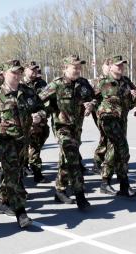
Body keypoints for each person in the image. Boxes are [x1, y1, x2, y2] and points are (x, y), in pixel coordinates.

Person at [0, 59, 45, 227]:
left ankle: (2, 201)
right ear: (4, 74)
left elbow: (42, 108)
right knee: (13, 175)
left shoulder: (28, 92)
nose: (16, 76)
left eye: (19, 72)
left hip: (24, 141)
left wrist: (40, 116)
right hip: (5, 142)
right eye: (13, 72)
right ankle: (21, 212)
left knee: (12, 173)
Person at [38, 55, 95, 209]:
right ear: (65, 68)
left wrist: (91, 105)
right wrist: (41, 114)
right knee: (73, 157)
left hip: (77, 128)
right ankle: (80, 195)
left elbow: (94, 98)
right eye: (74, 67)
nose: (78, 69)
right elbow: (38, 101)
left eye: (79, 66)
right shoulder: (56, 85)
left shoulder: (83, 83)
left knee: (66, 159)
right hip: (62, 128)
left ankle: (59, 190)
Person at [95, 55, 136, 197]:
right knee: (123, 148)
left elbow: (135, 98)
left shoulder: (126, 81)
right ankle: (123, 183)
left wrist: (135, 96)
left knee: (113, 149)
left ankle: (107, 183)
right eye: (117, 65)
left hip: (122, 120)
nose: (121, 67)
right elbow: (90, 98)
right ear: (110, 66)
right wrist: (99, 113)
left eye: (122, 65)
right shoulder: (102, 82)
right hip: (108, 120)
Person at [22, 61, 49, 183]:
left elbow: (47, 102)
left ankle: (29, 165)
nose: (34, 72)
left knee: (36, 146)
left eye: (35, 69)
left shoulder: (41, 83)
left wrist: (41, 115)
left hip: (40, 120)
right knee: (32, 147)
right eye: (31, 69)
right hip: (25, 122)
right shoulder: (21, 85)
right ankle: (36, 171)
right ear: (25, 71)